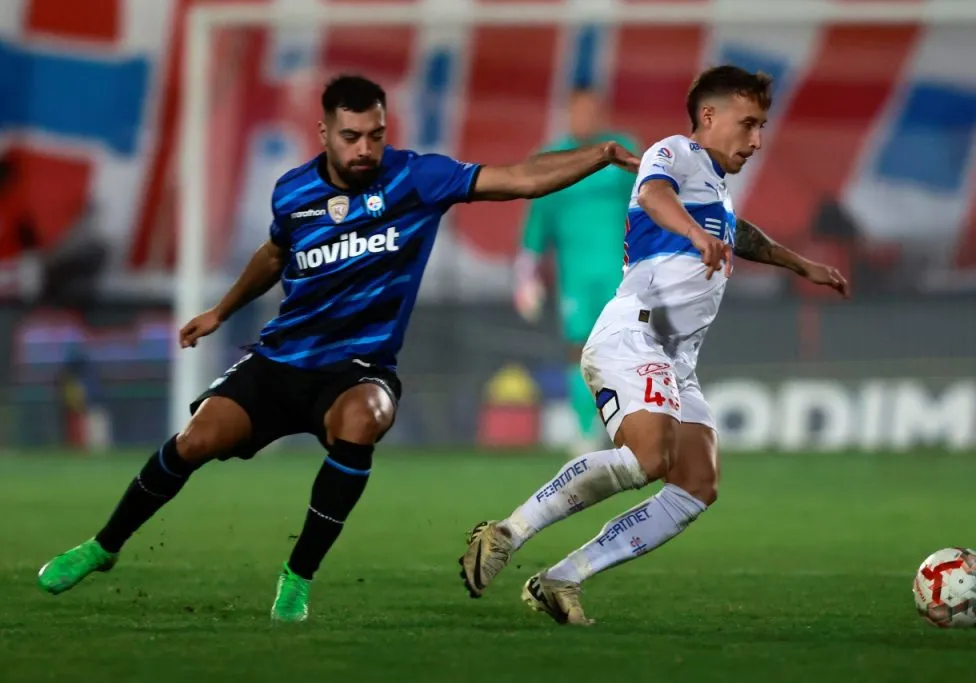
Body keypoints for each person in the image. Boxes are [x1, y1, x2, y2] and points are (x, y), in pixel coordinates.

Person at [36, 74, 639, 623]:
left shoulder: (416, 178)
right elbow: (275, 255)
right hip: (282, 361)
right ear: (324, 132)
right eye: (352, 137)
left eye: (376, 135)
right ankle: (103, 546)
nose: (365, 150)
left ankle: (296, 579)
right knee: (196, 438)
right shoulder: (292, 192)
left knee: (364, 419)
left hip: (360, 368)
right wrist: (220, 310)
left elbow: (520, 179)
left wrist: (602, 155)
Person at [459, 65, 850, 625]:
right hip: (634, 333)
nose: (757, 140)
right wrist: (694, 234)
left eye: (761, 126)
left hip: (675, 357)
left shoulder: (714, 185)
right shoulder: (672, 153)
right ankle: (506, 533)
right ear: (709, 117)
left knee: (696, 485)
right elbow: (653, 191)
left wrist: (801, 264)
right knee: (649, 458)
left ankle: (563, 578)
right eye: (749, 124)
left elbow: (739, 235)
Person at [513, 88, 639, 453]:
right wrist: (526, 272)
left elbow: (650, 202)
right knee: (580, 350)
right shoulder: (551, 159)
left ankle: (628, 427)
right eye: (577, 112)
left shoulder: (620, 151)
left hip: (621, 271)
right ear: (568, 114)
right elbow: (538, 220)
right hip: (575, 276)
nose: (584, 119)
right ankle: (585, 428)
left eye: (591, 112)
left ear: (601, 114)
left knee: (622, 348)